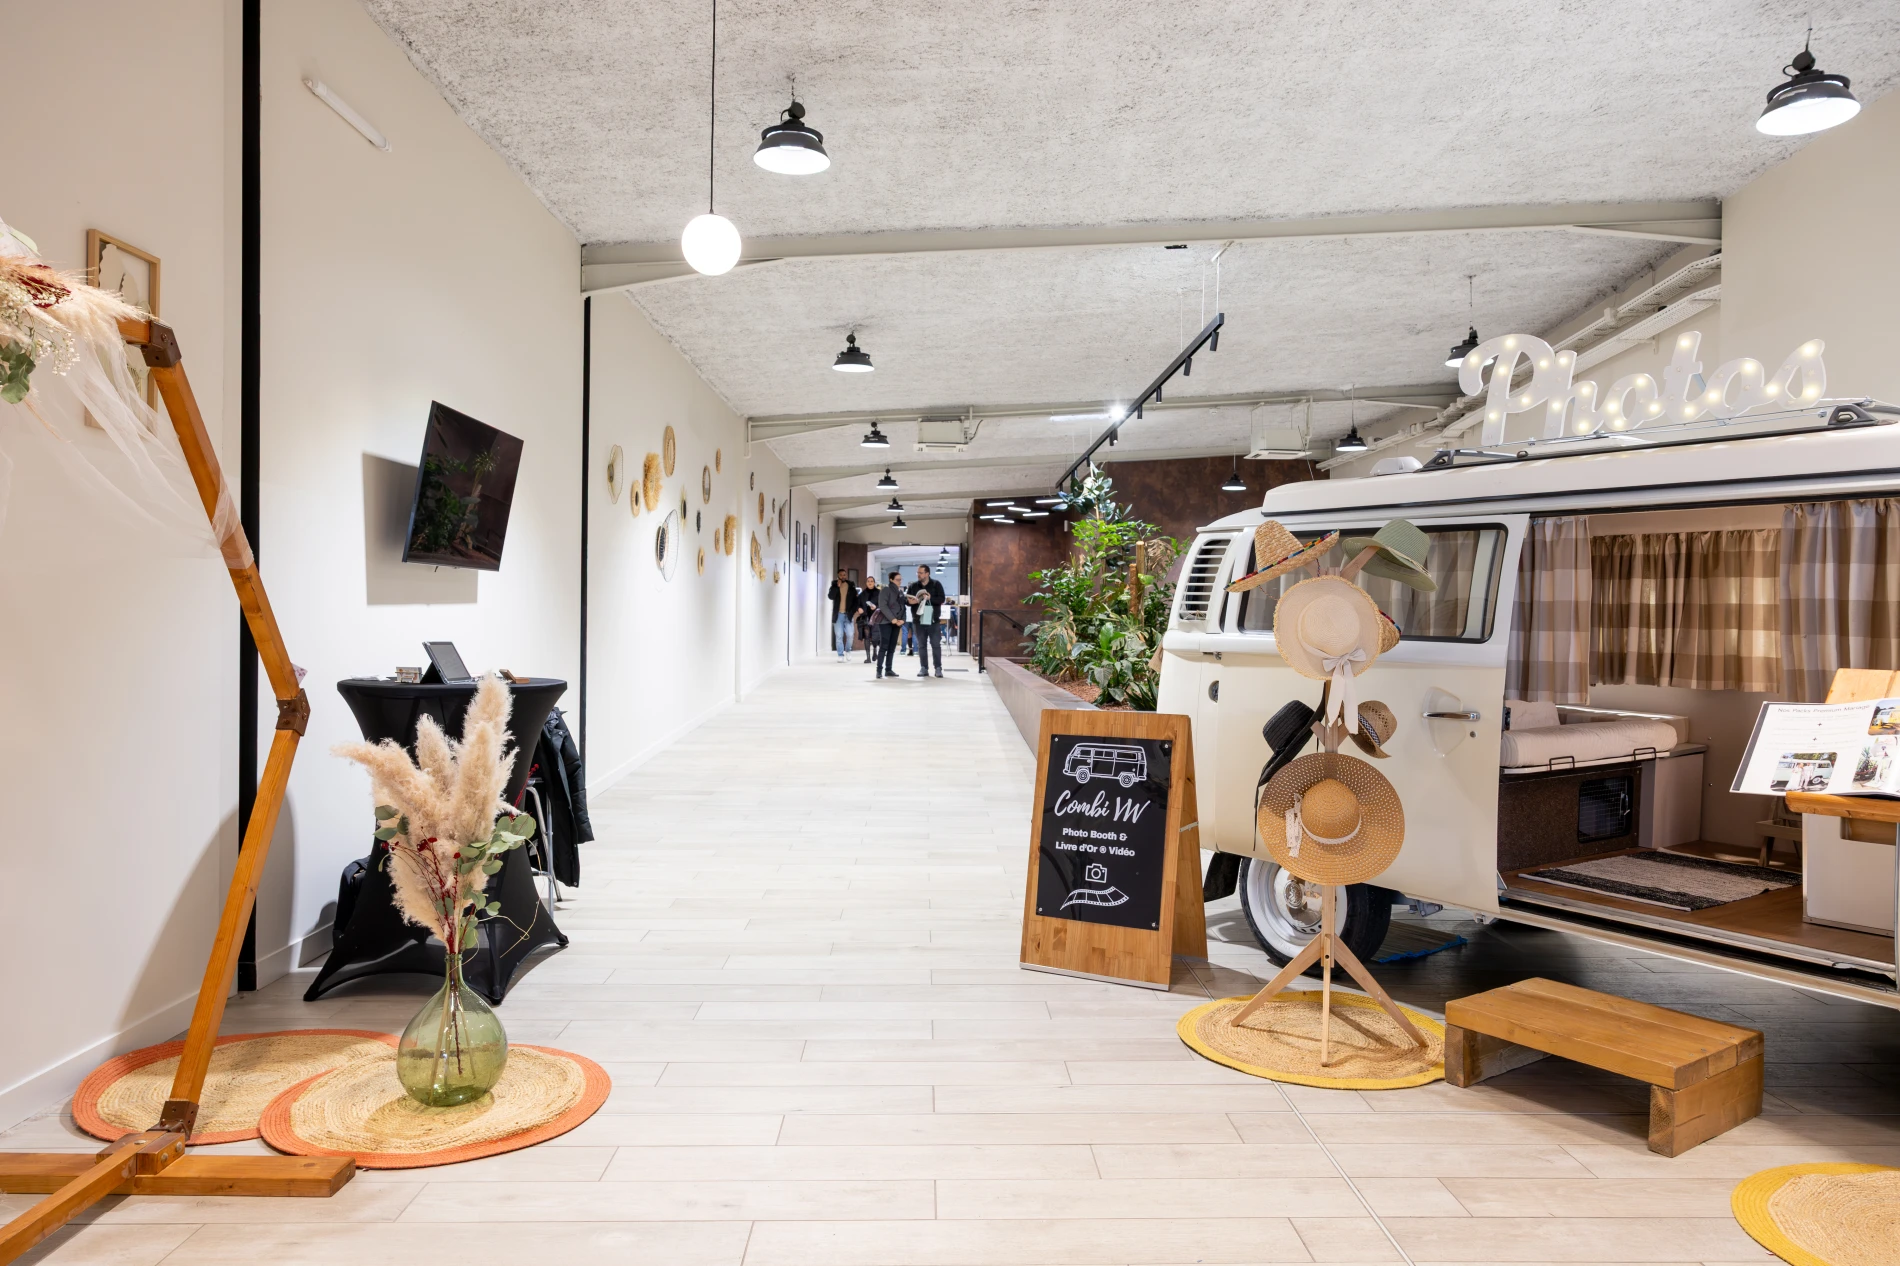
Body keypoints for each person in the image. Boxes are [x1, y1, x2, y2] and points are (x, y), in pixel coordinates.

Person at [907, 564, 948, 678]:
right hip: (918, 620)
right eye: (918, 573)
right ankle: (924, 668)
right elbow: (907, 600)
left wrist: (930, 598)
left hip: (933, 620)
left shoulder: (936, 584)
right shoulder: (913, 586)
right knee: (921, 645)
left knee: (935, 645)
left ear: (927, 573)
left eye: (920, 573)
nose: (918, 575)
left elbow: (942, 599)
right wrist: (910, 602)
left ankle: (938, 668)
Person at [873, 568, 908, 678]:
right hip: (885, 622)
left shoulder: (900, 592)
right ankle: (879, 670)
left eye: (901, 579)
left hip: (897, 623)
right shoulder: (885, 590)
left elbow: (903, 607)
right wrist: (893, 619)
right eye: (897, 579)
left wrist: (903, 620)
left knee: (892, 647)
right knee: (884, 646)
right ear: (891, 580)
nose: (900, 581)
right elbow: (883, 606)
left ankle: (888, 669)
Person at [828, 569, 858, 660]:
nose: (843, 576)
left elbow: (855, 600)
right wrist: (837, 587)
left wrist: (852, 611)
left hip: (848, 614)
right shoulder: (834, 585)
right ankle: (840, 655)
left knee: (850, 635)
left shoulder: (851, 585)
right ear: (838, 576)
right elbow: (830, 596)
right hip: (838, 615)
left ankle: (848, 650)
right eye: (841, 575)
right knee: (839, 635)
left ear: (846, 575)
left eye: (844, 575)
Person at [854, 575, 880, 663]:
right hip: (865, 617)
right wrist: (858, 608)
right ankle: (868, 657)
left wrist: (876, 607)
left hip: (876, 617)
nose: (870, 583)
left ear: (874, 583)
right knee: (867, 636)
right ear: (866, 583)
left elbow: (884, 604)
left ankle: (875, 651)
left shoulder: (879, 593)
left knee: (875, 637)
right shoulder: (862, 594)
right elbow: (857, 604)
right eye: (868, 581)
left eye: (871, 581)